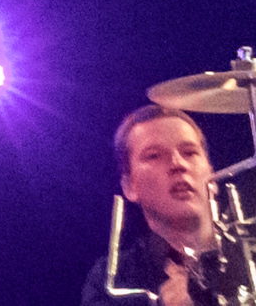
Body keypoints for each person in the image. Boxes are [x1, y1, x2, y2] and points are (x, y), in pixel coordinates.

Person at [86, 103, 240, 306]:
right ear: (129, 186)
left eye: (189, 152)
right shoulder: (113, 281)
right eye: (154, 155)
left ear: (212, 175)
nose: (178, 164)